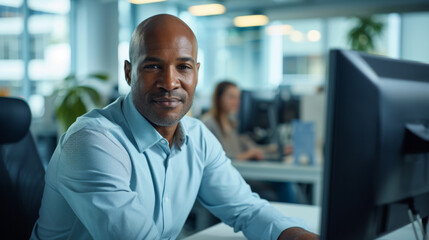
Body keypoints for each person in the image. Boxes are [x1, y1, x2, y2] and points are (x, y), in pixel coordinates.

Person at [30, 14, 318, 240]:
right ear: (129, 72)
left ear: (196, 73)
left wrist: (295, 235)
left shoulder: (197, 136)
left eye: (183, 67)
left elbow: (245, 209)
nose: (170, 83)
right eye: (153, 66)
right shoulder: (92, 142)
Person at [202, 81, 265, 161]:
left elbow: (253, 148)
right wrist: (244, 156)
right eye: (232, 97)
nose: (237, 102)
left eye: (238, 98)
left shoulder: (233, 123)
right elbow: (211, 158)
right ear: (219, 98)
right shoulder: (208, 123)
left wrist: (276, 149)